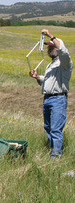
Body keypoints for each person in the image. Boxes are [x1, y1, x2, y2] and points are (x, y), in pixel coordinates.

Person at [29, 29, 73, 159]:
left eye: (52, 47)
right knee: (48, 127)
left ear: (57, 49)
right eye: (48, 47)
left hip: (58, 99)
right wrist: (38, 77)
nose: (49, 49)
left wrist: (51, 35)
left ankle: (56, 157)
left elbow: (64, 51)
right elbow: (49, 81)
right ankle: (52, 151)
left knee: (55, 129)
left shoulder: (64, 62)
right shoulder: (51, 64)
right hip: (47, 99)